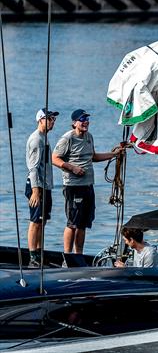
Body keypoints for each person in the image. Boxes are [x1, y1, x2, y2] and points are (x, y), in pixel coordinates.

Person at [52, 109, 122, 254]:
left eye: (87, 119)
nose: (85, 122)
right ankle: (67, 256)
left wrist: (113, 154)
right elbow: (54, 158)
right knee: (72, 223)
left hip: (88, 186)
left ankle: (79, 255)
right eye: (82, 119)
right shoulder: (67, 139)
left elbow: (93, 157)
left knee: (83, 224)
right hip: (73, 186)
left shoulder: (89, 137)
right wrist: (72, 168)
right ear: (74, 123)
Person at [25, 108, 59, 267]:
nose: (53, 122)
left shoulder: (44, 138)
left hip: (45, 185)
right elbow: (33, 167)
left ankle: (39, 252)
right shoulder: (36, 139)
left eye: (53, 119)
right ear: (40, 120)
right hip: (36, 186)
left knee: (43, 220)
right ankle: (33, 257)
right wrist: (35, 191)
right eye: (50, 119)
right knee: (35, 221)